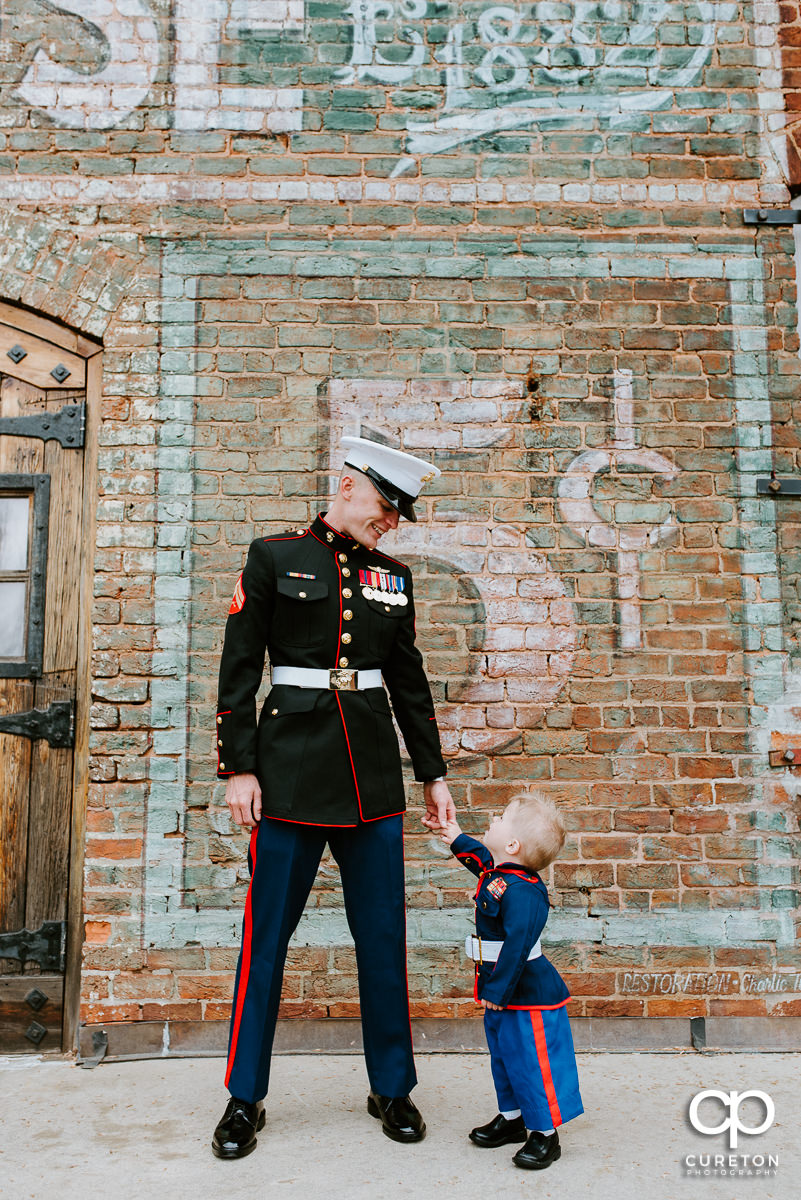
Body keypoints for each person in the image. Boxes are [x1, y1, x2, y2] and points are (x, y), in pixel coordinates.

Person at [211, 436, 455, 1159]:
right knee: (265, 944)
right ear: (347, 487)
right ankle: (242, 1097)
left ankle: (392, 1087)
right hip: (286, 775)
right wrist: (238, 769)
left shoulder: (394, 578)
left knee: (381, 939)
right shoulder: (273, 555)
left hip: (371, 777)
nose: (392, 523)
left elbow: (408, 683)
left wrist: (432, 775)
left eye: (400, 514)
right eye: (386, 506)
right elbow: (238, 667)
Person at [439, 793, 583, 1170]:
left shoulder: (525, 893)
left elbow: (518, 946)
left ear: (513, 845)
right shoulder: (501, 874)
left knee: (532, 1062)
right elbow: (482, 862)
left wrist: (498, 991)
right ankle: (515, 1117)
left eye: (500, 817)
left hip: (524, 992)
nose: (493, 819)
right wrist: (454, 835)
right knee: (504, 1059)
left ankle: (545, 1134)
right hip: (498, 988)